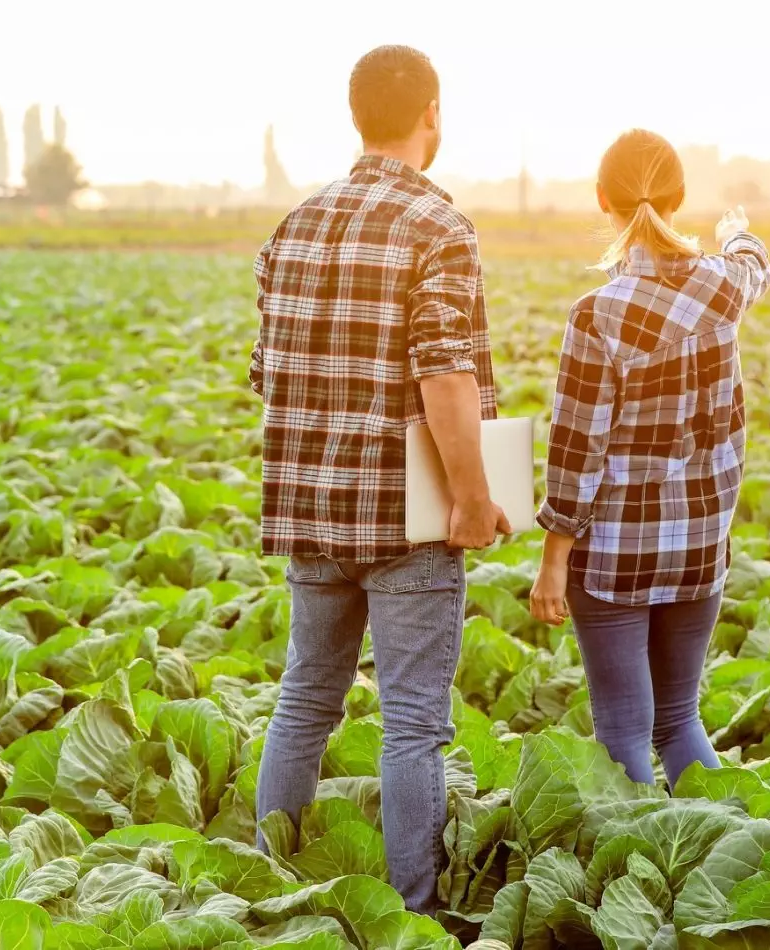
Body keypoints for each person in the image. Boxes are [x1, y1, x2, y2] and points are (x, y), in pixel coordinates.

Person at [248, 45, 509, 915]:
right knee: (412, 727)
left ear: (356, 116)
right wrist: (473, 497)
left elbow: (266, 372)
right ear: (430, 114)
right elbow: (445, 374)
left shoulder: (294, 225)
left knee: (303, 703)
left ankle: (266, 885)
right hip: (407, 522)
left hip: (309, 511)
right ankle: (415, 913)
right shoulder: (439, 227)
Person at [530, 129, 770, 788]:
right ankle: (717, 856)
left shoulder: (598, 315)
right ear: (681, 195)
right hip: (700, 547)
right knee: (679, 721)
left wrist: (554, 560)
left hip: (614, 557)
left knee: (624, 731)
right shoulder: (725, 289)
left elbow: (575, 450)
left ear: (602, 198)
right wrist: (734, 233)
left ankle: (640, 850)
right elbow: (755, 265)